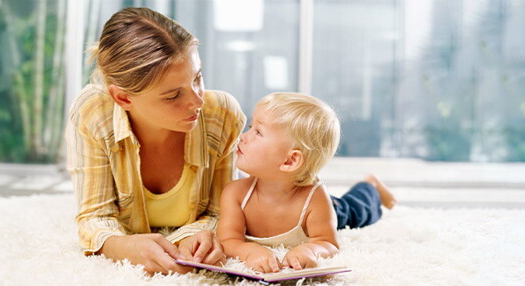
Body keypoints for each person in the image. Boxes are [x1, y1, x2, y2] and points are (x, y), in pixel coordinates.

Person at [65, 7, 246, 275]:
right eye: (173, 96)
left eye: (197, 78)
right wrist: (123, 246)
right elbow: (95, 216)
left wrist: (192, 239)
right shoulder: (93, 113)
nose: (197, 101)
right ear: (123, 99)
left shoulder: (221, 114)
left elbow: (222, 211)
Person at [217, 92, 396, 273]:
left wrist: (309, 250)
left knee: (355, 211)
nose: (243, 136)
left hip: (330, 209)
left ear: (290, 161)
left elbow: (328, 242)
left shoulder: (316, 199)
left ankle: (370, 187)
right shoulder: (235, 193)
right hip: (297, 192)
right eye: (250, 127)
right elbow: (228, 240)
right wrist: (248, 251)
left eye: (257, 132)